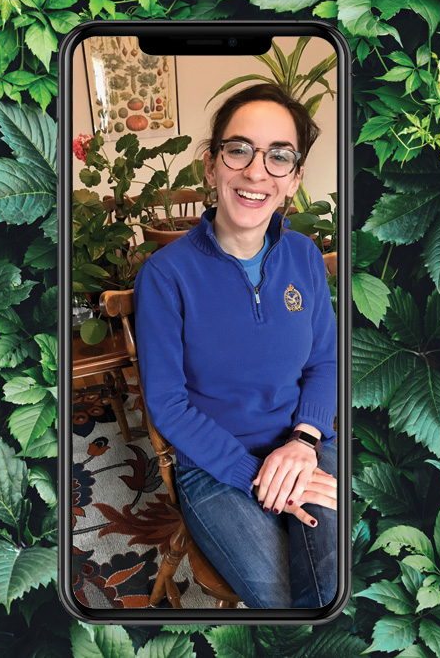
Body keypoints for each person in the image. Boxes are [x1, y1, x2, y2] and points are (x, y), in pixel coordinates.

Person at [133, 83, 338, 608]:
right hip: (216, 468)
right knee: (283, 601)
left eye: (279, 157)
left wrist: (304, 441)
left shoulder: (306, 257)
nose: (255, 171)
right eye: (238, 149)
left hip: (306, 445)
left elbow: (325, 362)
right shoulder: (164, 275)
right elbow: (168, 404)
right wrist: (257, 476)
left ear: (293, 180)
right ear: (211, 165)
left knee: (336, 578)